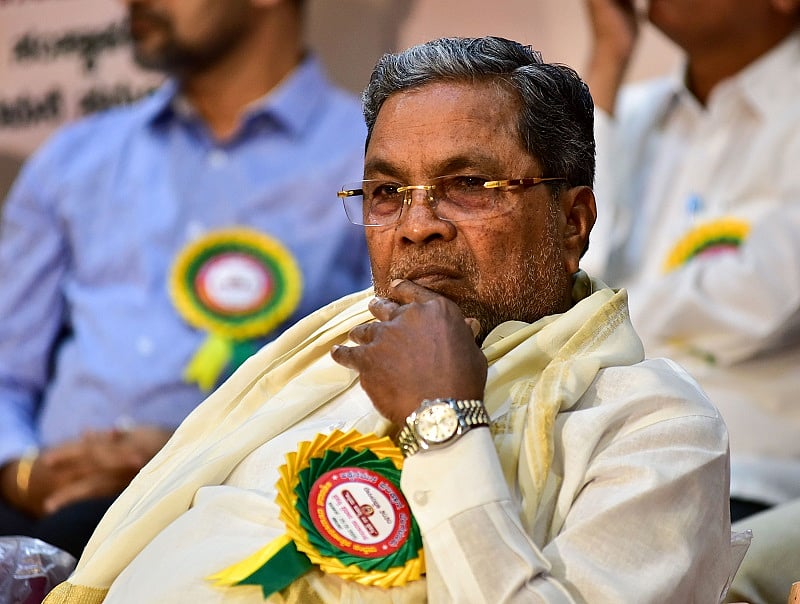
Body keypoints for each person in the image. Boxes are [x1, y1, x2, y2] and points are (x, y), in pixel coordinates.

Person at [44, 36, 738, 604]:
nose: (416, 227)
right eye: (385, 193)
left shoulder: (654, 426)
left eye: (468, 186)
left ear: (573, 222)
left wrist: (444, 420)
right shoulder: (325, 354)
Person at [0, 0, 370, 558]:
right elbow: (5, 370)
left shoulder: (372, 160)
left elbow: (382, 377)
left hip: (250, 513)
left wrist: (191, 455)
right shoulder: (73, 161)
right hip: (43, 511)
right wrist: (22, 473)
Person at [582, 0, 800, 521]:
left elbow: (754, 302)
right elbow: (564, 251)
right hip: (595, 455)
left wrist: (582, 318)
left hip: (743, 475)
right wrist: (607, 59)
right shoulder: (626, 114)